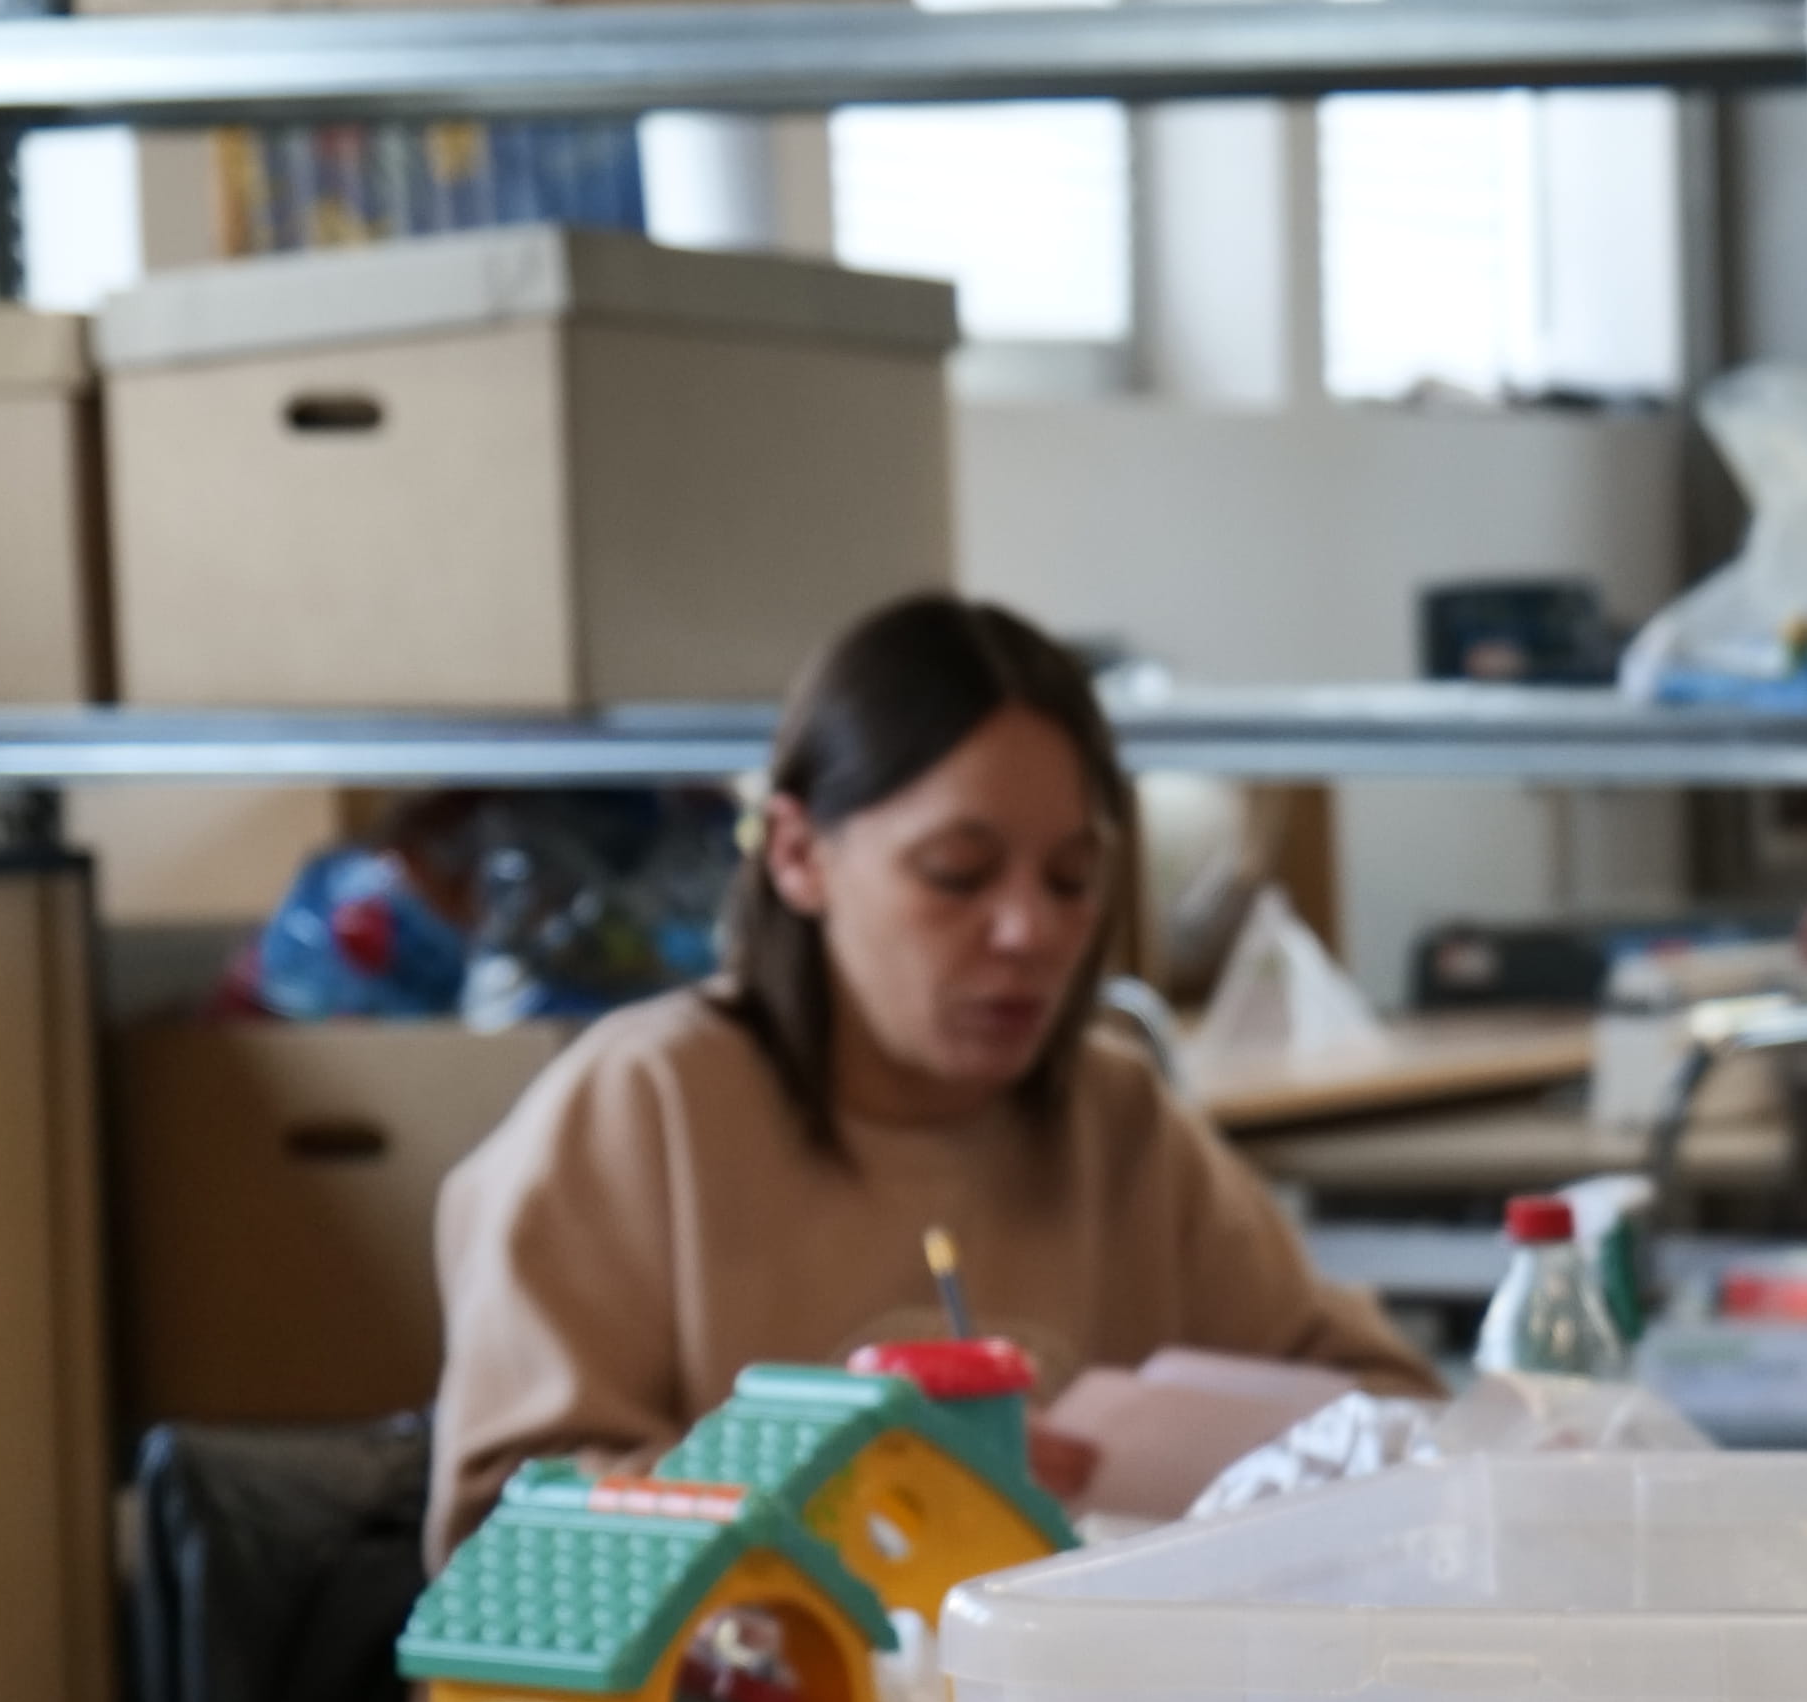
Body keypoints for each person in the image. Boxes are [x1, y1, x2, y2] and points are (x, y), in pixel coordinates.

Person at [425, 592, 1426, 1555]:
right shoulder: (644, 1109)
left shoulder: (1115, 1118)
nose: (1028, 931)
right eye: (957, 872)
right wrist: (834, 1489)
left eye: (1073, 879)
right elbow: (498, 1526)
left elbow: (1391, 1412)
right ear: (798, 853)